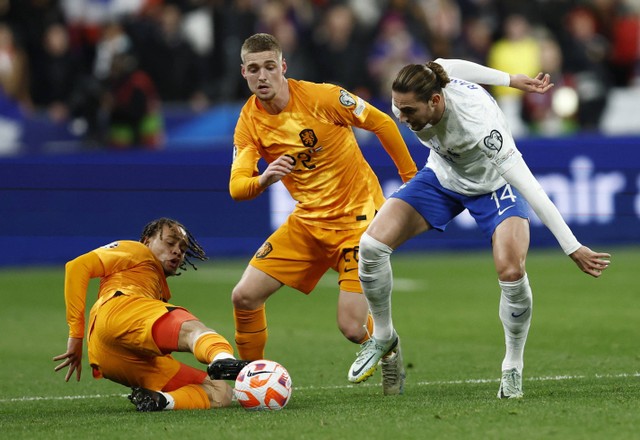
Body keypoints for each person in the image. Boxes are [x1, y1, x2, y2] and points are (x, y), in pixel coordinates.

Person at [347, 59, 611, 399]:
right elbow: (450, 65)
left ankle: (512, 367)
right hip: (443, 177)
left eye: (408, 110)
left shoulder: (481, 128)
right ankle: (384, 336)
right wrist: (511, 79)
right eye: (397, 108)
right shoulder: (432, 80)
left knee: (511, 271)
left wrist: (572, 246)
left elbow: (531, 187)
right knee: (370, 246)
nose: (401, 117)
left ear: (435, 102)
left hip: (493, 186)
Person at [229, 33, 418, 395]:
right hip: (308, 222)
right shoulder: (249, 122)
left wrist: (410, 182)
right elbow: (237, 187)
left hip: (358, 222)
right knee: (244, 296)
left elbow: (382, 123)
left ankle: (388, 348)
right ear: (244, 73)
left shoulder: (323, 97)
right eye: (254, 69)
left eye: (270, 66)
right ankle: (250, 379)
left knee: (350, 327)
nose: (263, 76)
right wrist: (264, 179)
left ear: (283, 67)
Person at [53, 218, 249, 411]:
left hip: (110, 356)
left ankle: (161, 401)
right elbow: (77, 266)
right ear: (147, 241)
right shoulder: (137, 250)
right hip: (120, 310)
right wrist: (75, 334)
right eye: (170, 242)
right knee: (191, 330)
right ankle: (222, 358)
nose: (177, 252)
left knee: (221, 391)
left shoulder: (157, 288)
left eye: (182, 249)